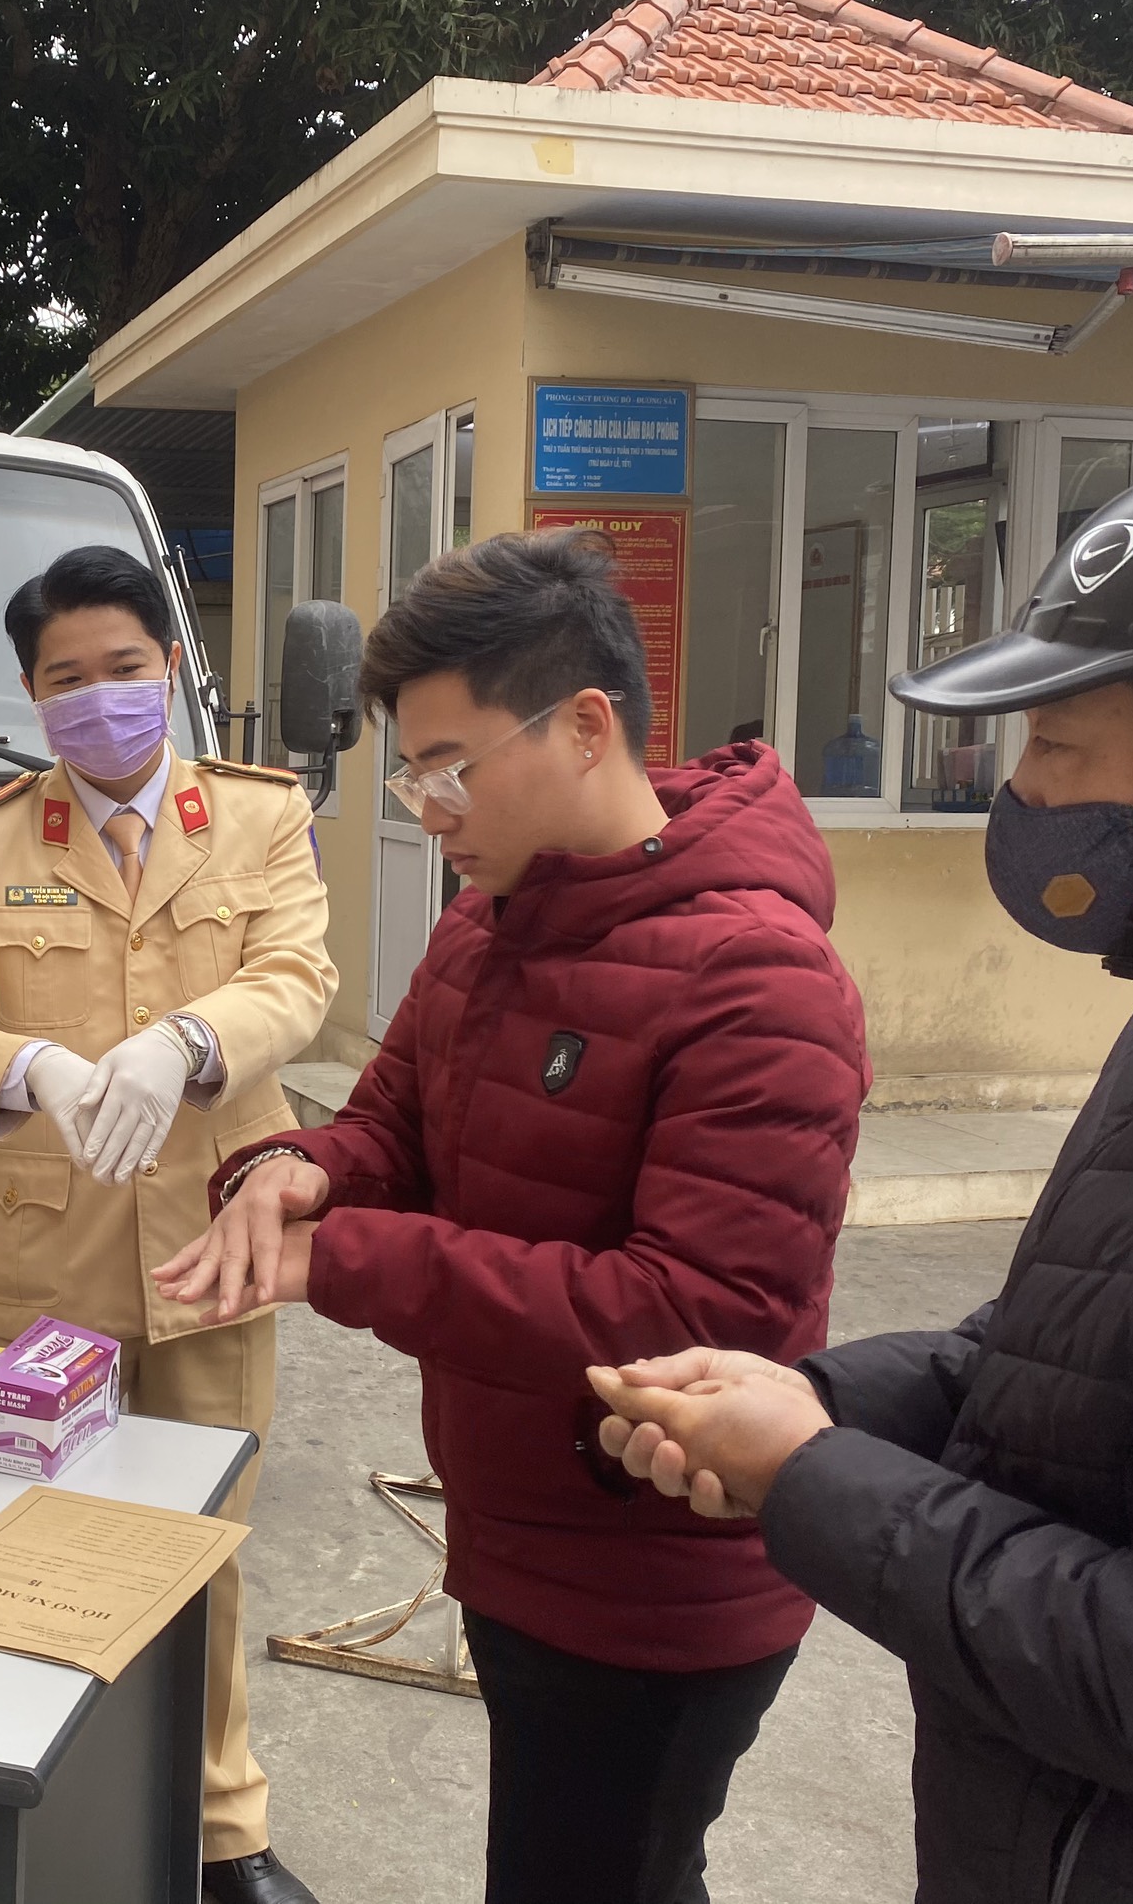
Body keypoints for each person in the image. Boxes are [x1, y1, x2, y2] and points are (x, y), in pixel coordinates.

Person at [593, 432, 1133, 1904]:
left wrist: (807, 1478)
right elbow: (1063, 1350)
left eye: (1060, 746)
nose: (1021, 786)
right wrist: (814, 1395)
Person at [165, 527, 868, 1904]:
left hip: (657, 1577)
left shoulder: (758, 981)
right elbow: (392, 1125)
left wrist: (344, 1253)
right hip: (522, 1536)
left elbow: (686, 1320)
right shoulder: (486, 928)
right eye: (410, 770)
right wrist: (302, 1168)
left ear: (588, 724)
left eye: (450, 764)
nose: (427, 804)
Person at [0, 544, 336, 1904]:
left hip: (218, 1239)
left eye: (125, 669)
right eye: (67, 679)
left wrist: (191, 1039)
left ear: (171, 667)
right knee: (35, 1535)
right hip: (45, 1251)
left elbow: (300, 972)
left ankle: (223, 1830)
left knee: (202, 1544)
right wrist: (21, 1072)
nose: (101, 701)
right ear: (33, 695)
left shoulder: (258, 817)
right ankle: (46, 1807)